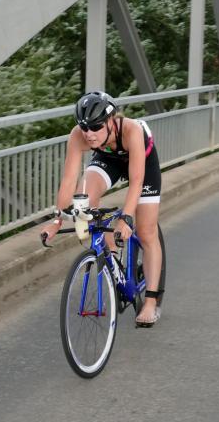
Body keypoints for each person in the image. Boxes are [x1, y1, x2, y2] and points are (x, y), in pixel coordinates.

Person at [40, 91, 164, 327]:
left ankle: (150, 301)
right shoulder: (79, 136)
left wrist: (126, 218)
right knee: (83, 200)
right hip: (109, 160)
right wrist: (57, 221)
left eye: (96, 127)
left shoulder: (131, 130)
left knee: (146, 231)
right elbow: (69, 180)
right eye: (84, 127)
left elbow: (136, 181)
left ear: (111, 120)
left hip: (142, 165)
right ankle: (111, 260)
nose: (89, 134)